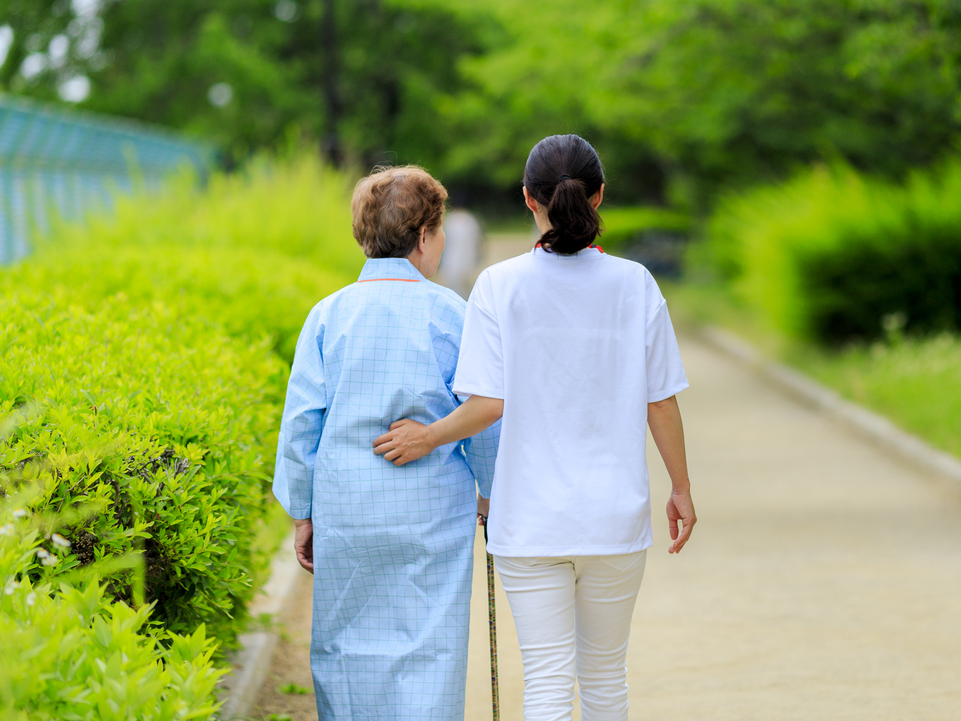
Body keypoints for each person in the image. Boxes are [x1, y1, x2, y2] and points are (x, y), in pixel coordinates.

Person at [372, 134, 696, 721]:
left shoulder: (499, 285)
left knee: (546, 684)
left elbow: (487, 405)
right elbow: (661, 403)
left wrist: (427, 436)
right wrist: (680, 488)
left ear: (528, 200)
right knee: (605, 679)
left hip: (530, 523)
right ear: (599, 196)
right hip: (614, 519)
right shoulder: (636, 283)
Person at [272, 165, 500, 721]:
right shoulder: (452, 314)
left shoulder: (328, 316)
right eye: (439, 230)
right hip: (430, 512)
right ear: (424, 235)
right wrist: (491, 494)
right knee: (431, 644)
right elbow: (484, 414)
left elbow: (303, 421)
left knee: (345, 641)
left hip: (347, 508)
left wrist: (302, 512)